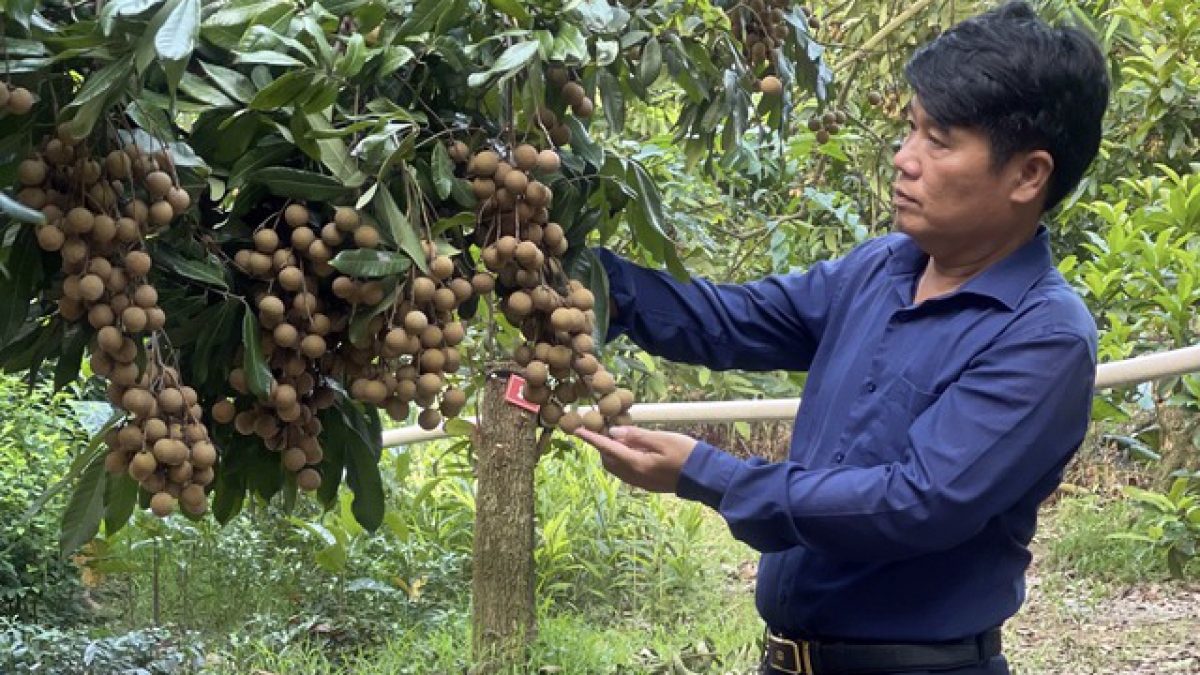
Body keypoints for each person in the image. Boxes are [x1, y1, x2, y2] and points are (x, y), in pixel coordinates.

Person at [574, 3, 1111, 674]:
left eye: (938, 140)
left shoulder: (1044, 337)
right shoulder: (882, 268)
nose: (904, 158)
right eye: (910, 130)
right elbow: (728, 320)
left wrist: (704, 473)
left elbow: (913, 503)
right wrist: (583, 274)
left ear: (1029, 174)